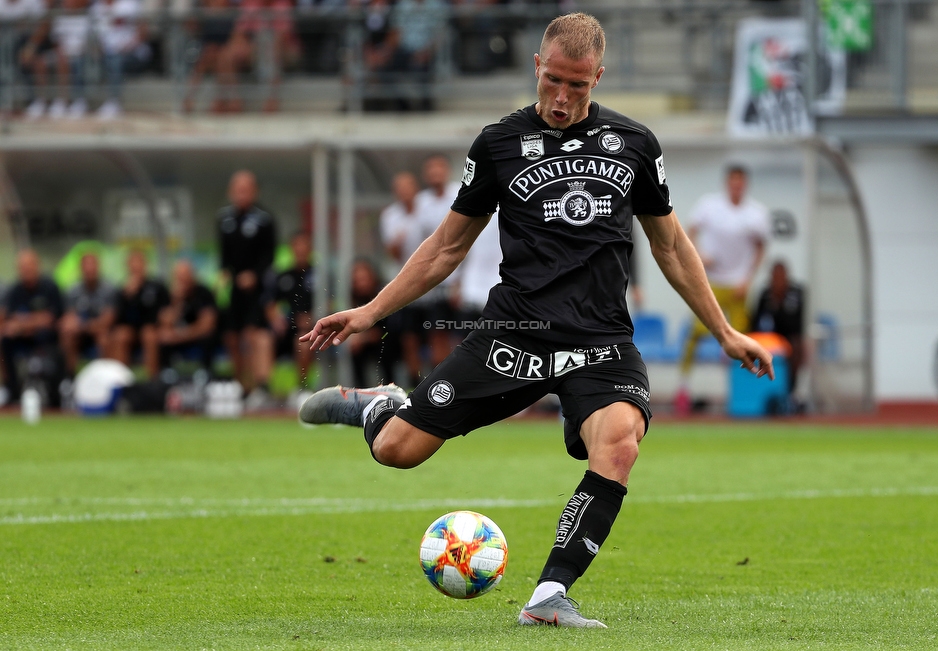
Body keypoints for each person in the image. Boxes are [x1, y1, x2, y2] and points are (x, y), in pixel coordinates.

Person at [298, 13, 772, 628]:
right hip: (514, 332)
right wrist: (370, 311)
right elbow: (446, 248)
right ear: (537, 68)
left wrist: (725, 331)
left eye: (578, 85)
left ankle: (550, 594)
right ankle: (380, 407)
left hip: (601, 340)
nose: (562, 97)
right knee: (397, 451)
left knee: (620, 443)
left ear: (598, 77)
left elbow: (673, 247)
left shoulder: (634, 144)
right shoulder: (498, 144)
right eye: (553, 80)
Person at [675, 164, 770, 415]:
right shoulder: (709, 206)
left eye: (741, 182)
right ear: (727, 183)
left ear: (745, 185)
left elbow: (761, 248)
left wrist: (748, 280)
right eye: (733, 181)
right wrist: (699, 256)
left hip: (738, 285)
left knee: (742, 340)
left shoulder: (756, 213)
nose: (736, 186)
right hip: (711, 283)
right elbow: (689, 231)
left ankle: (740, 394)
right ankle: (683, 389)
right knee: (695, 334)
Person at [217, 169, 277, 400]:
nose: (241, 194)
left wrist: (254, 275)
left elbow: (269, 255)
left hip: (257, 290)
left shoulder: (264, 219)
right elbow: (224, 255)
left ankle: (258, 385)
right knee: (232, 337)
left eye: (246, 189)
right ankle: (240, 384)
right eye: (237, 189)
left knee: (252, 335)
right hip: (233, 290)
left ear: (254, 191)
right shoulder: (224, 219)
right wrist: (225, 274)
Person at [378, 170, 427, 384]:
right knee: (409, 338)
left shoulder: (430, 209)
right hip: (408, 285)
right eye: (400, 188)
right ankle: (416, 383)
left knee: (440, 333)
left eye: (408, 186)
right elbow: (393, 253)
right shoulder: (390, 216)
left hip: (437, 283)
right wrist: (396, 244)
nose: (404, 192)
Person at [415, 153, 462, 365]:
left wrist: (461, 281)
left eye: (439, 169)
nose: (435, 174)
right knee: (436, 332)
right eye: (431, 170)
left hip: (460, 279)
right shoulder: (422, 202)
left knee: (462, 335)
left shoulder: (459, 193)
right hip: (435, 281)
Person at [0, 249, 63, 403]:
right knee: (5, 340)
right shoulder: (14, 290)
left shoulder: (49, 287)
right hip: (21, 339)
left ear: (37, 266)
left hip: (46, 338)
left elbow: (50, 318)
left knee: (52, 341)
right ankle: (11, 389)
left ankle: (58, 392)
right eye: (22, 266)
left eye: (29, 265)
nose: (26, 270)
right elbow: (8, 318)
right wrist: (28, 323)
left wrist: (24, 324)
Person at [107, 249, 169, 378]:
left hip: (151, 328)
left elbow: (164, 313)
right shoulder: (122, 290)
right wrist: (128, 296)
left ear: (145, 265)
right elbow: (118, 318)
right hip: (130, 329)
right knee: (120, 335)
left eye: (139, 263)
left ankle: (152, 381)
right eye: (132, 263)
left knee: (149, 335)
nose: (136, 267)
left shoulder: (157, 286)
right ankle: (120, 380)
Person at [264, 231, 314, 390]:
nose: (300, 249)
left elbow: (330, 304)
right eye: (296, 245)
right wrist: (275, 319)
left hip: (313, 330)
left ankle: (302, 388)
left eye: (303, 245)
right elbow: (270, 303)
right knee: (261, 339)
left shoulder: (320, 275)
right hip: (286, 327)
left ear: (310, 249)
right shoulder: (283, 276)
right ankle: (262, 389)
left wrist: (313, 318)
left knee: (303, 342)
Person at [58, 251, 116, 378]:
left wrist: (85, 325)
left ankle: (104, 379)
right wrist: (83, 326)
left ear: (98, 267)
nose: (90, 269)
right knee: (67, 335)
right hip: (80, 334)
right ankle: (68, 379)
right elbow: (69, 319)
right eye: (86, 265)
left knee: (104, 337)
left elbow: (108, 320)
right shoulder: (73, 291)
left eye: (92, 265)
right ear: (81, 268)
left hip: (100, 333)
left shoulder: (109, 289)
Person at [90, 0, 151, 119]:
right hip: (105, 54)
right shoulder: (96, 7)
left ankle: (114, 101)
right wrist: (99, 50)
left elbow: (143, 33)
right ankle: (80, 100)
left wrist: (124, 48)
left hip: (133, 53)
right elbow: (93, 36)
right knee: (90, 59)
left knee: (116, 60)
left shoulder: (132, 4)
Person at [157, 259, 219, 375]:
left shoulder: (203, 293)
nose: (182, 280)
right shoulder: (169, 295)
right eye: (179, 276)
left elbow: (207, 326)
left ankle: (206, 373)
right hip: (179, 337)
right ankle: (166, 375)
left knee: (208, 337)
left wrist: (180, 335)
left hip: (196, 336)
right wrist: (177, 302)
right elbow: (165, 324)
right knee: (161, 337)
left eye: (185, 275)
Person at [752, 260, 804, 396]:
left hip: (792, 338)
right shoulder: (766, 294)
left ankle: (790, 390)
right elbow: (755, 321)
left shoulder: (796, 294)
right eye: (775, 275)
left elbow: (798, 324)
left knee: (798, 348)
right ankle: (761, 390)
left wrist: (779, 305)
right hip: (772, 339)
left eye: (781, 275)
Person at [346, 257, 396, 387]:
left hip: (388, 339)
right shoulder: (353, 298)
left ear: (373, 277)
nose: (361, 284)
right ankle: (360, 390)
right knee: (355, 349)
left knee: (386, 346)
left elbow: (385, 330)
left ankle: (389, 388)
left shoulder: (384, 294)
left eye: (364, 279)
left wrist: (363, 337)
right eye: (357, 280)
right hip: (365, 342)